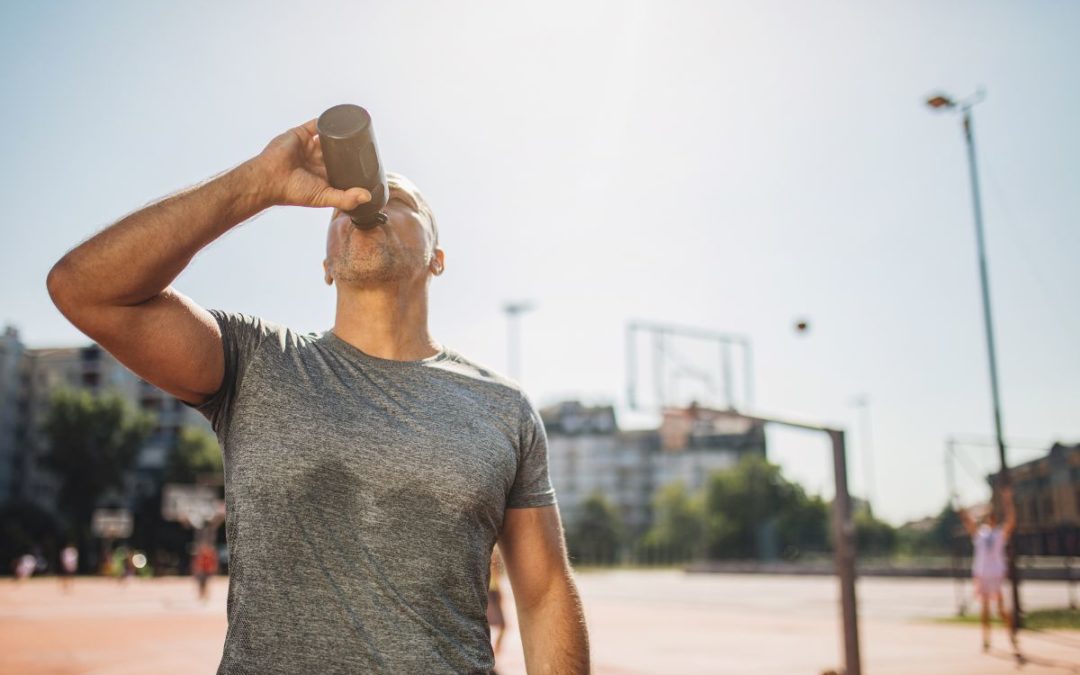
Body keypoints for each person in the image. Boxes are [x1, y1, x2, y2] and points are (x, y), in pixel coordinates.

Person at [48, 116, 590, 673]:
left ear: (438, 258)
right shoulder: (257, 359)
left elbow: (545, 591)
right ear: (327, 267)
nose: (362, 205)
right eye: (339, 209)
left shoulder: (504, 408)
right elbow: (84, 289)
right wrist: (255, 184)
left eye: (394, 200)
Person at [957, 484, 1019, 656]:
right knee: (984, 609)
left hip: (995, 574)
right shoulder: (980, 535)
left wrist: (1007, 500)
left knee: (1000, 609)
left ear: (994, 519)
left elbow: (1011, 521)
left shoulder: (999, 534)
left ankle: (1011, 635)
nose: (988, 519)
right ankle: (986, 639)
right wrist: (959, 502)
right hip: (983, 574)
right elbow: (967, 520)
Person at [487, 545, 507, 658]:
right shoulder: (493, 553)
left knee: (501, 625)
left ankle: (496, 650)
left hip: (491, 591)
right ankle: (495, 651)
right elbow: (495, 574)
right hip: (491, 591)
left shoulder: (493, 552)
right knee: (502, 625)